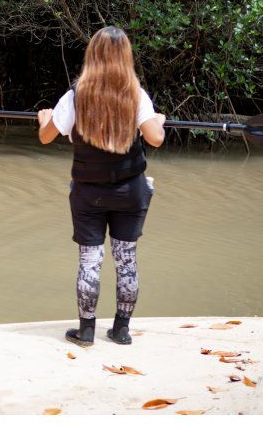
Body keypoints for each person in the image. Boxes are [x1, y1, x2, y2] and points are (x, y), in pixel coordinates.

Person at [37, 26, 166, 347]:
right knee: (126, 259)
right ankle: (121, 330)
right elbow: (156, 138)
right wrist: (158, 121)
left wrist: (45, 119)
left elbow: (46, 137)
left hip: (88, 193)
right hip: (130, 192)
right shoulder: (135, 93)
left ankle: (86, 331)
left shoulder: (75, 96)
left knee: (89, 260)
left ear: (91, 55)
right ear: (126, 57)